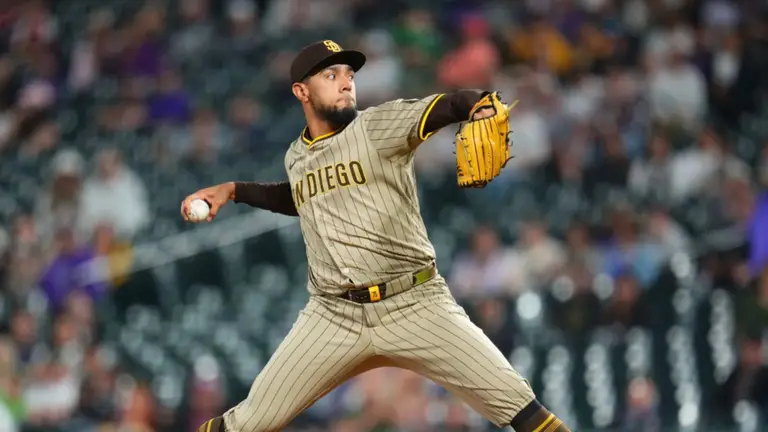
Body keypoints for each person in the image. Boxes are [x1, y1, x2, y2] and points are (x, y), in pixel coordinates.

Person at [181, 40, 571, 432]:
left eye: (349, 74)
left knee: (521, 406)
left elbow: (445, 105)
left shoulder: (379, 125)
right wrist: (234, 190)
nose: (346, 82)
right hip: (334, 315)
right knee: (246, 423)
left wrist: (478, 104)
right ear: (301, 91)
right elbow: (299, 196)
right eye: (330, 75)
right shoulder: (296, 155)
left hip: (415, 303)